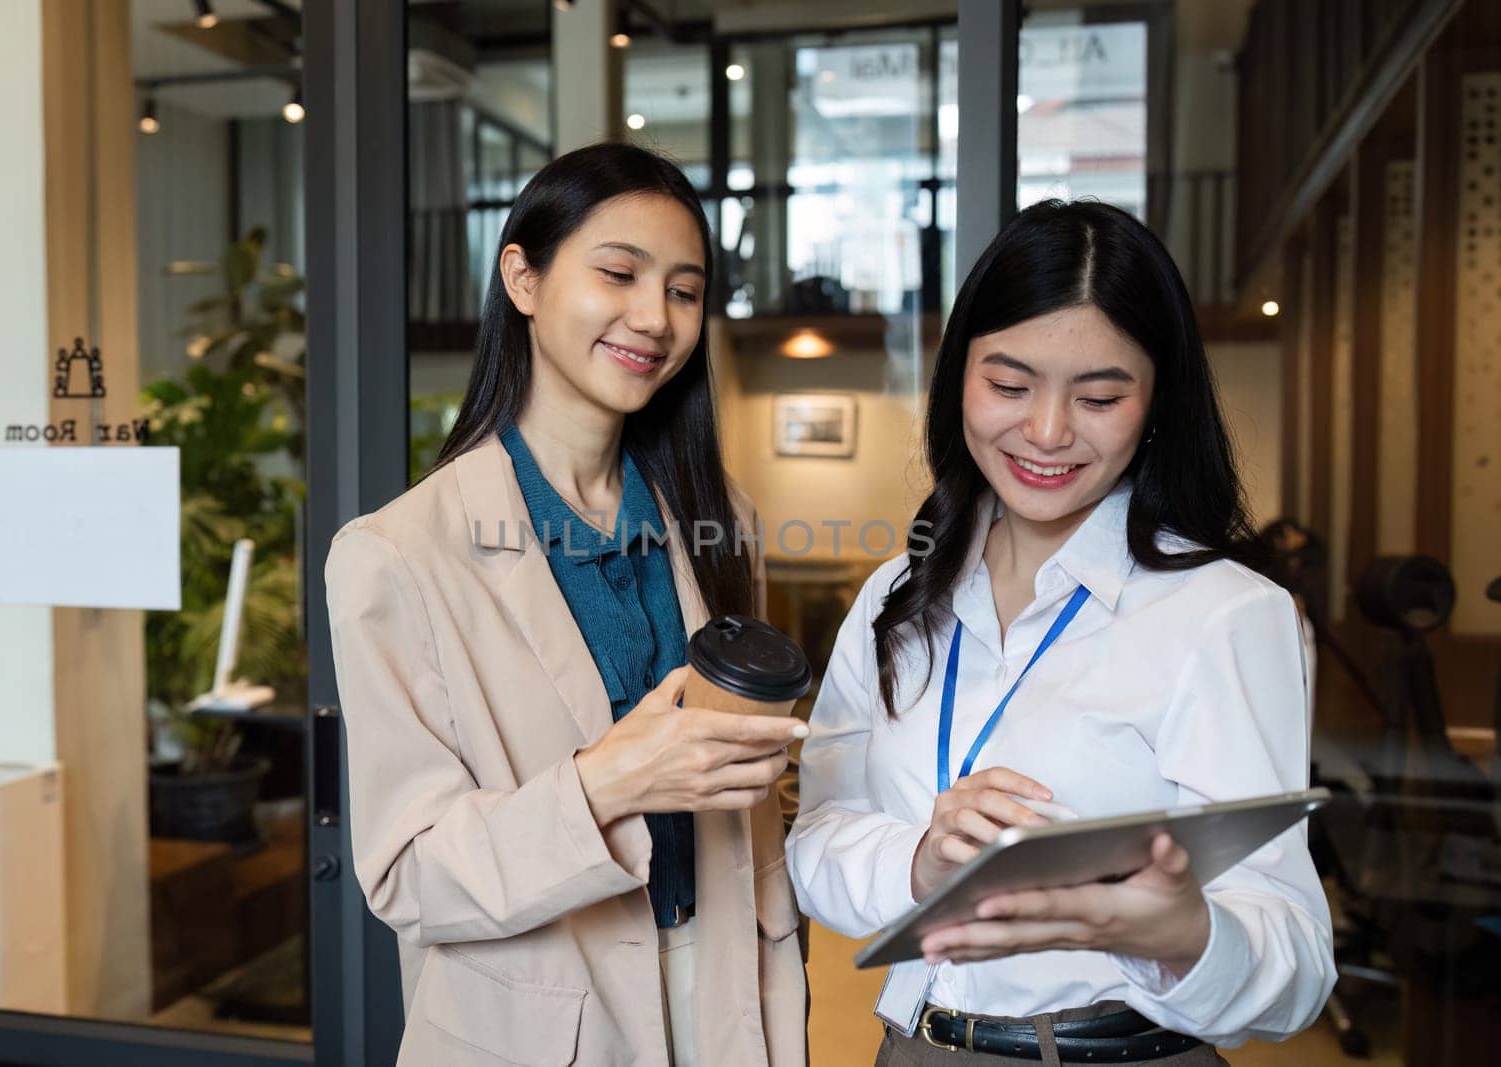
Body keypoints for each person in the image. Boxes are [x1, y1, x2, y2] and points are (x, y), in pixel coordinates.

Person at [786, 200, 1336, 1065]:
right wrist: (922, 867)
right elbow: (815, 836)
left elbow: (1299, 963)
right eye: (1008, 385)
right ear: (957, 378)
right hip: (913, 1048)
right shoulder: (898, 594)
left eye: (1101, 396)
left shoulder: (1227, 616)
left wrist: (1185, 931)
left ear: (1155, 402)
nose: (1046, 432)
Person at [326, 142, 808, 1067]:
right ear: (524, 277)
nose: (654, 317)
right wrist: (607, 783)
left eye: (683, 289)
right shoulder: (395, 554)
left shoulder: (719, 517)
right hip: (539, 1024)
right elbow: (409, 876)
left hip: (729, 996)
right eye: (619, 273)